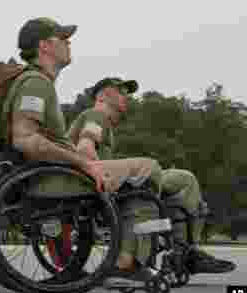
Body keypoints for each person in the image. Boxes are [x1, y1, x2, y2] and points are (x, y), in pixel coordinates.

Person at [5, 18, 166, 284]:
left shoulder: (39, 83)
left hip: (53, 174)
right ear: (44, 46)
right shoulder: (36, 84)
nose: (68, 42)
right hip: (54, 179)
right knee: (150, 168)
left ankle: (130, 252)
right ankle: (129, 258)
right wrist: (85, 164)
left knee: (138, 178)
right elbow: (25, 138)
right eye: (62, 38)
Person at [67, 77, 236, 274]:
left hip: (100, 181)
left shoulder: (103, 123)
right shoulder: (96, 115)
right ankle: (183, 252)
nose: (125, 96)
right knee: (178, 179)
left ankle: (182, 250)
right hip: (95, 183)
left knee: (183, 180)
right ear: (102, 96)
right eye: (120, 91)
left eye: (127, 93)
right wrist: (105, 176)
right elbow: (85, 149)